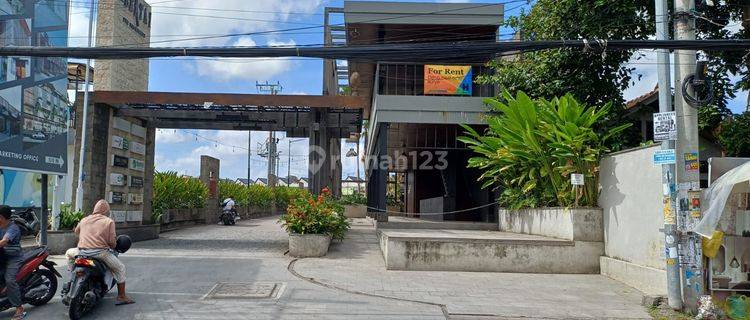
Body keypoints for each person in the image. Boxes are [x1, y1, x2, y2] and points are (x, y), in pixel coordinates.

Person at [65, 200, 134, 306]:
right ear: (106, 211)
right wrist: (113, 245)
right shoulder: (108, 221)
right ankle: (121, 296)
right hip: (100, 254)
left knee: (68, 253)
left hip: (81, 252)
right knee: (120, 268)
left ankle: (71, 278)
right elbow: (112, 242)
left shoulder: (84, 219)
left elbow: (76, 232)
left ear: (95, 209)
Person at [0, 205, 24, 320]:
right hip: (2, 256)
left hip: (13, 258)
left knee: (9, 280)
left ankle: (19, 308)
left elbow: (4, 241)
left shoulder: (12, 228)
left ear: (1, 217)